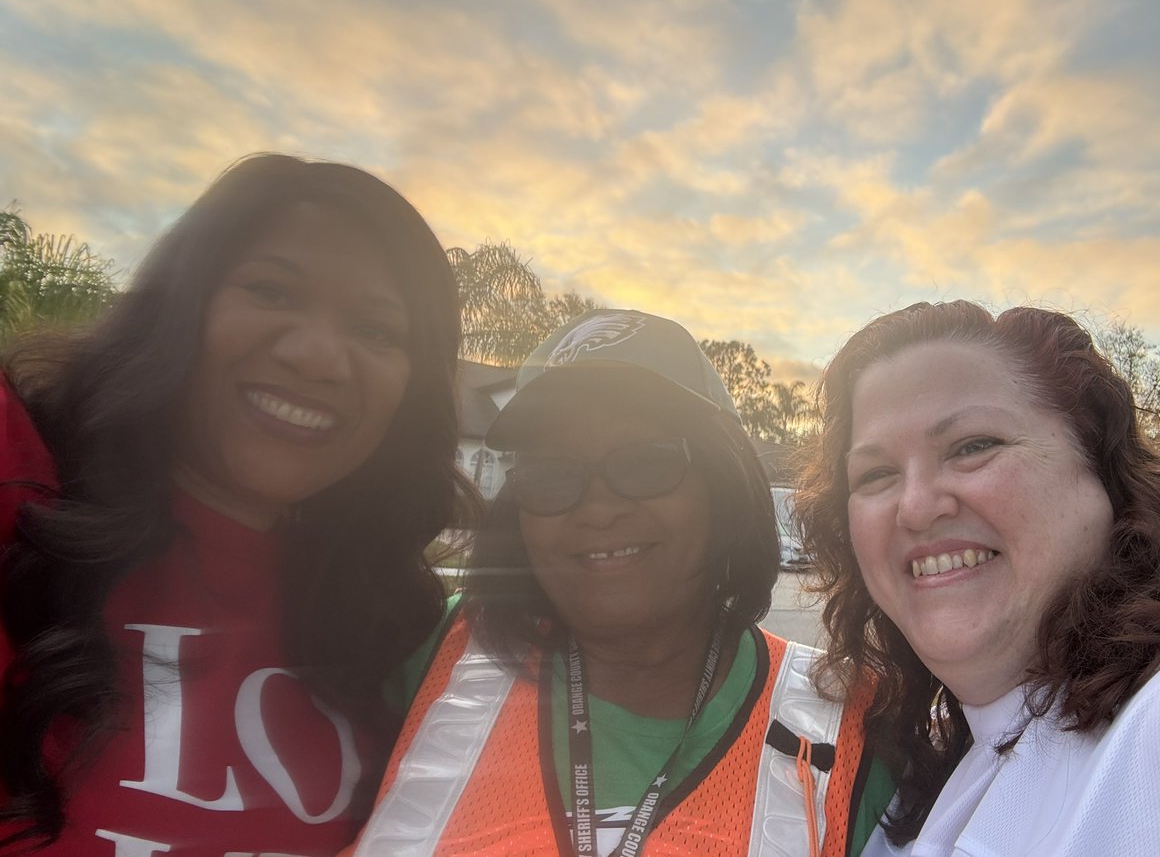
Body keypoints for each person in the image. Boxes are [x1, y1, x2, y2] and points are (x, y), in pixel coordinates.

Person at [0, 154, 475, 853]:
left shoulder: (392, 622)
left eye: (376, 331)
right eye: (273, 291)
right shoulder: (20, 482)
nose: (318, 356)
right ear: (180, 307)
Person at [349, 309, 891, 857]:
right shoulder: (415, 650)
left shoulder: (855, 728)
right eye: (552, 475)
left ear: (722, 489)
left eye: (646, 464)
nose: (599, 510)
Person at [794, 300, 1160, 855]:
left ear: (1102, 467)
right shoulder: (930, 764)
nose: (914, 507)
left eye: (974, 446)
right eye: (876, 474)